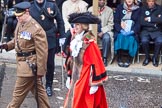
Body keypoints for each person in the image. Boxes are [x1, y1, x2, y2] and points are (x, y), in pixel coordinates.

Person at [0, 1, 50, 108]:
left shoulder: (36, 29)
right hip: (23, 64)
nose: (17, 18)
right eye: (17, 16)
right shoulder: (20, 23)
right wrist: (6, 45)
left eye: (20, 16)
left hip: (29, 67)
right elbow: (17, 40)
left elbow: (42, 52)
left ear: (27, 12)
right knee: (40, 94)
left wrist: (41, 71)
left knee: (17, 95)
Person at [63, 12, 108, 108]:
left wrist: (95, 84)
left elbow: (96, 62)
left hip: (86, 78)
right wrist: (69, 75)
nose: (75, 27)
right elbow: (71, 59)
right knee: (74, 100)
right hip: (76, 75)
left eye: (78, 24)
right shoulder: (75, 38)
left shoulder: (90, 42)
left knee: (83, 102)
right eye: (75, 24)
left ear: (83, 26)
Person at [29, 0, 66, 96]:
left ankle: (49, 85)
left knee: (50, 63)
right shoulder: (31, 6)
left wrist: (62, 35)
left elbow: (59, 20)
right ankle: (38, 84)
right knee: (36, 63)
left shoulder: (52, 5)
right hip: (36, 38)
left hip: (50, 37)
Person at [114, 0, 141, 67]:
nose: (129, 0)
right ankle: (119, 57)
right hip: (121, 30)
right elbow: (116, 21)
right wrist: (120, 30)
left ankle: (128, 58)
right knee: (120, 37)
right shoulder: (120, 7)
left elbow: (139, 23)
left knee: (131, 38)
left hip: (132, 31)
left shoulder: (138, 9)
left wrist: (132, 31)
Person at [88, 0, 114, 66]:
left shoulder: (109, 10)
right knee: (87, 37)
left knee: (107, 37)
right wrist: (93, 31)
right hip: (92, 31)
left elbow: (111, 24)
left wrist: (102, 31)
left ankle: (104, 58)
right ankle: (91, 57)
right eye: (99, 0)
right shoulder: (90, 9)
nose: (101, 1)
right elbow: (88, 23)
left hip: (104, 31)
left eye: (103, 0)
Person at [140, 0, 162, 67]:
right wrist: (154, 24)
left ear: (154, 1)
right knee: (144, 41)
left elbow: (161, 20)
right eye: (149, 1)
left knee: (160, 41)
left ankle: (155, 58)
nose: (151, 2)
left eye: (152, 1)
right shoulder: (143, 8)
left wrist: (150, 19)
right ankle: (147, 57)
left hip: (157, 30)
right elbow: (141, 22)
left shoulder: (160, 8)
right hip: (146, 30)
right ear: (147, 1)